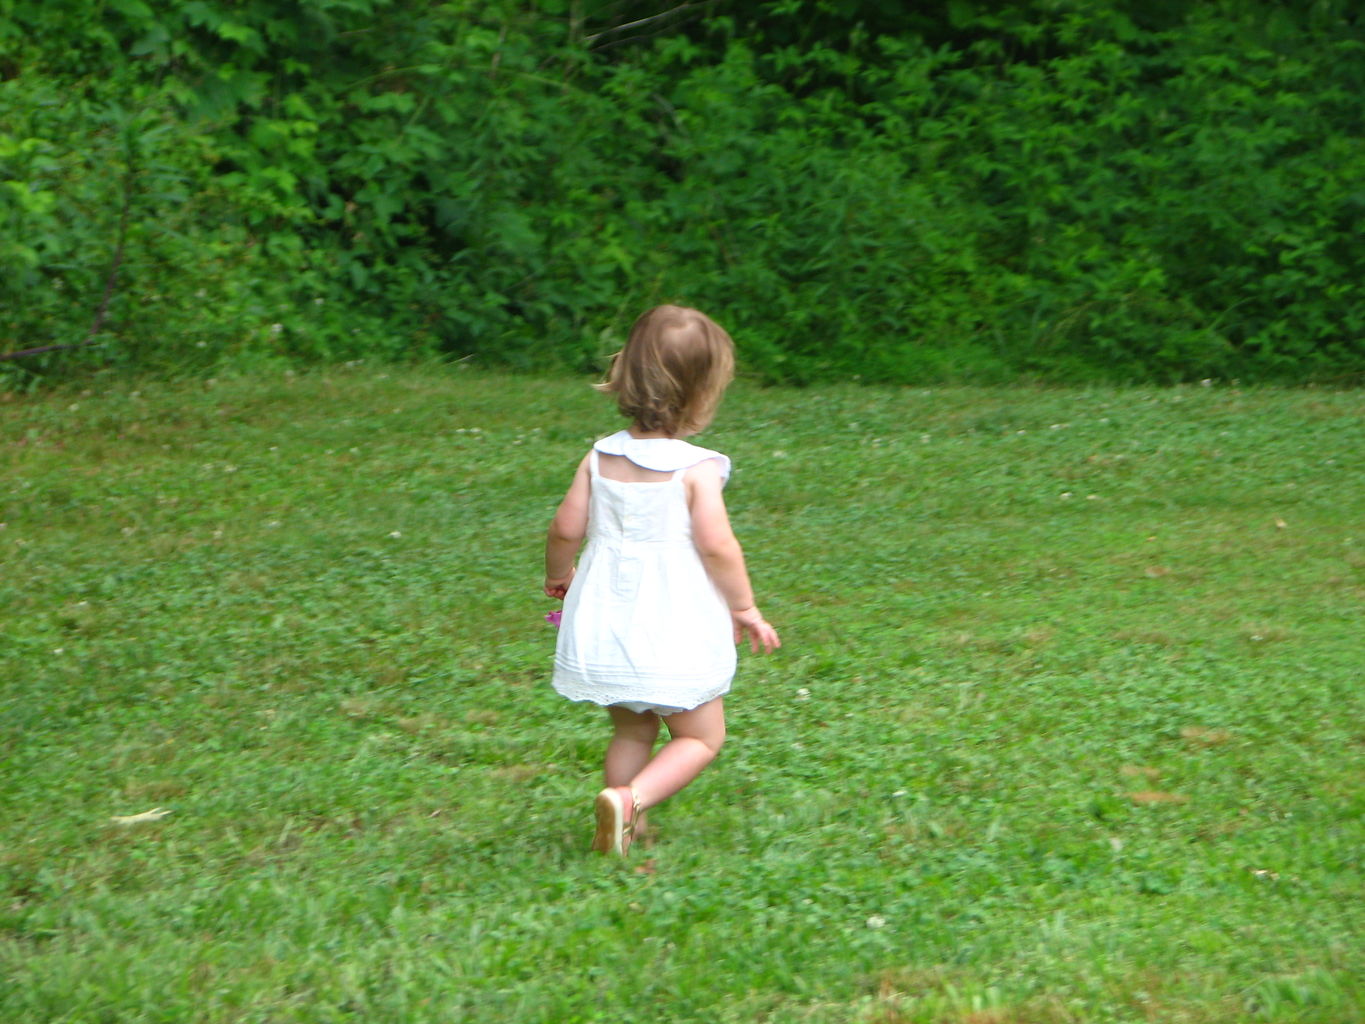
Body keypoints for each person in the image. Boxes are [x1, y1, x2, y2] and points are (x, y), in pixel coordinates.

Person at [544, 305, 781, 857]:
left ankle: (624, 821)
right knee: (700, 736)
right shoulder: (695, 467)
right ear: (702, 393)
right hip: (670, 623)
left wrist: (559, 575)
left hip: (609, 617)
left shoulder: (601, 456)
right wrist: (744, 607)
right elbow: (717, 545)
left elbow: (564, 527)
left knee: (631, 730)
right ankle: (632, 802)